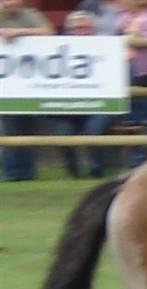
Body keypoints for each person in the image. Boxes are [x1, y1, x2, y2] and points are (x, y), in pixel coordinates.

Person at [0, 0, 55, 182]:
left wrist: (20, 32)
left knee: (26, 128)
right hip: (5, 83)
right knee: (8, 127)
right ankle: (11, 173)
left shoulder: (29, 14)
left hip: (28, 82)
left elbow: (49, 31)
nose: (13, 3)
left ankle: (26, 173)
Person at [53, 10, 112, 178]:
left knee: (93, 132)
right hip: (67, 107)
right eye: (77, 29)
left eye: (86, 28)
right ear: (68, 30)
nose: (82, 32)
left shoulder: (107, 47)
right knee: (62, 135)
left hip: (99, 104)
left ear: (93, 29)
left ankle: (97, 171)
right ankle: (73, 173)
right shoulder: (56, 49)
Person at [116, 0, 147, 167]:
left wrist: (131, 34)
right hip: (123, 73)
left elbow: (144, 42)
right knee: (131, 118)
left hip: (142, 73)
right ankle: (136, 160)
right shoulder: (123, 17)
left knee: (144, 118)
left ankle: (144, 160)